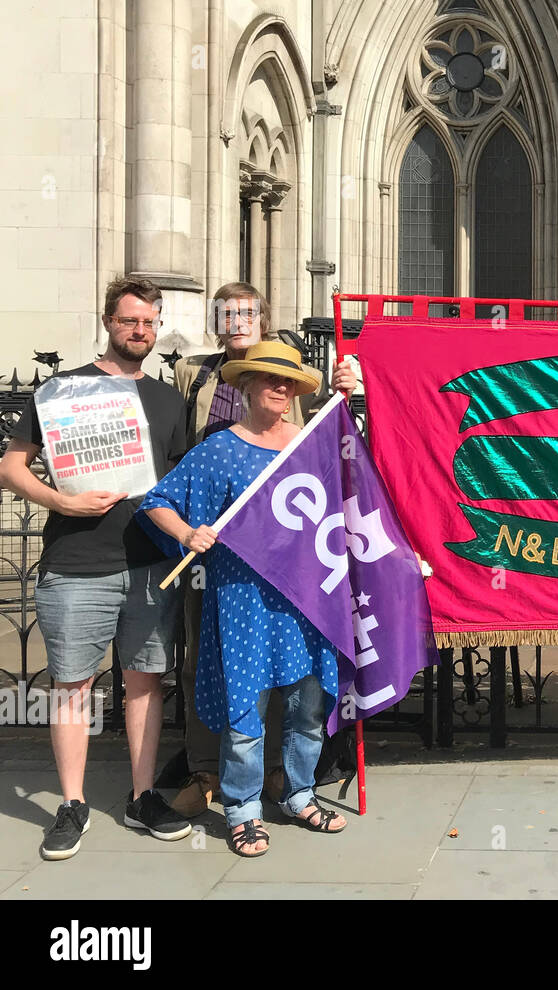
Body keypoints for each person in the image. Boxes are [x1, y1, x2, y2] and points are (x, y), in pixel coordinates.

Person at [0, 276, 192, 860]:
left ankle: (140, 796)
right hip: (78, 559)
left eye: (151, 323)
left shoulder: (167, 400)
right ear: (109, 322)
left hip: (149, 564)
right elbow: (12, 467)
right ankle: (72, 803)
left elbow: (183, 480)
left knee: (144, 683)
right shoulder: (61, 391)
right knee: (73, 686)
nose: (141, 331)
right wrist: (61, 501)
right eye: (131, 321)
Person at [142, 341, 347, 857]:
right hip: (243, 602)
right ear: (247, 385)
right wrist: (190, 535)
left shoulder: (309, 446)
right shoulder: (218, 449)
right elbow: (157, 502)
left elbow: (351, 495)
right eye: (269, 379)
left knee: (306, 707)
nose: (281, 388)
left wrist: (352, 396)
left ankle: (299, 794)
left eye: (289, 382)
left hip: (304, 599)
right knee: (245, 711)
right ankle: (243, 809)